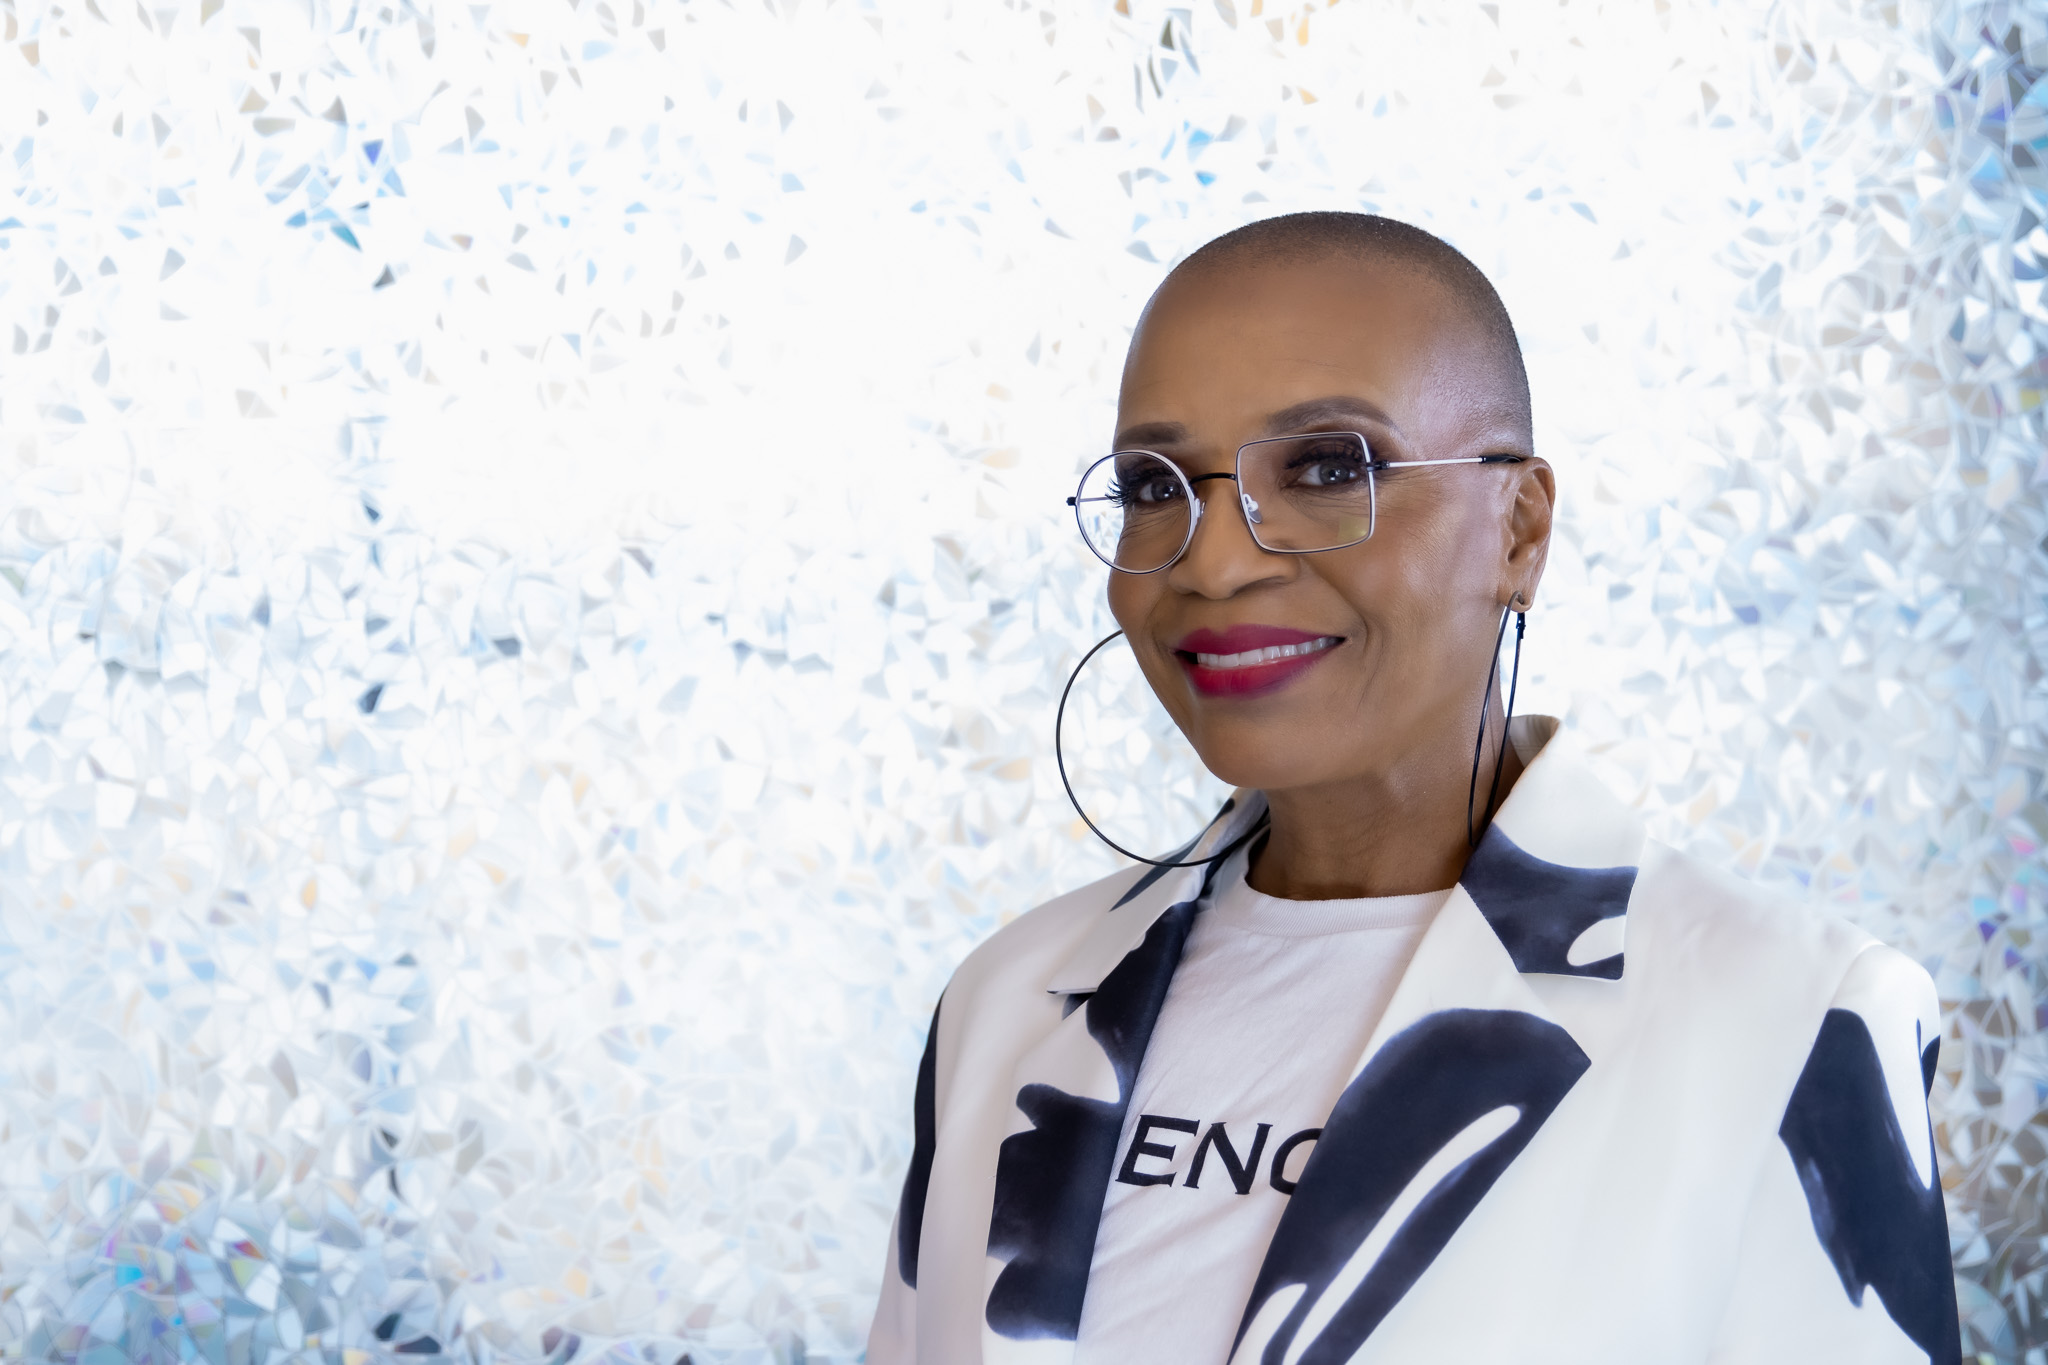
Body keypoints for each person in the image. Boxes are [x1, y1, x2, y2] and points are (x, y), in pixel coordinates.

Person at [865, 212, 1958, 1365]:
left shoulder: (1789, 1019)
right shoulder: (1007, 998)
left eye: (1327, 468)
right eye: (1154, 485)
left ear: (1518, 530)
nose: (1213, 562)